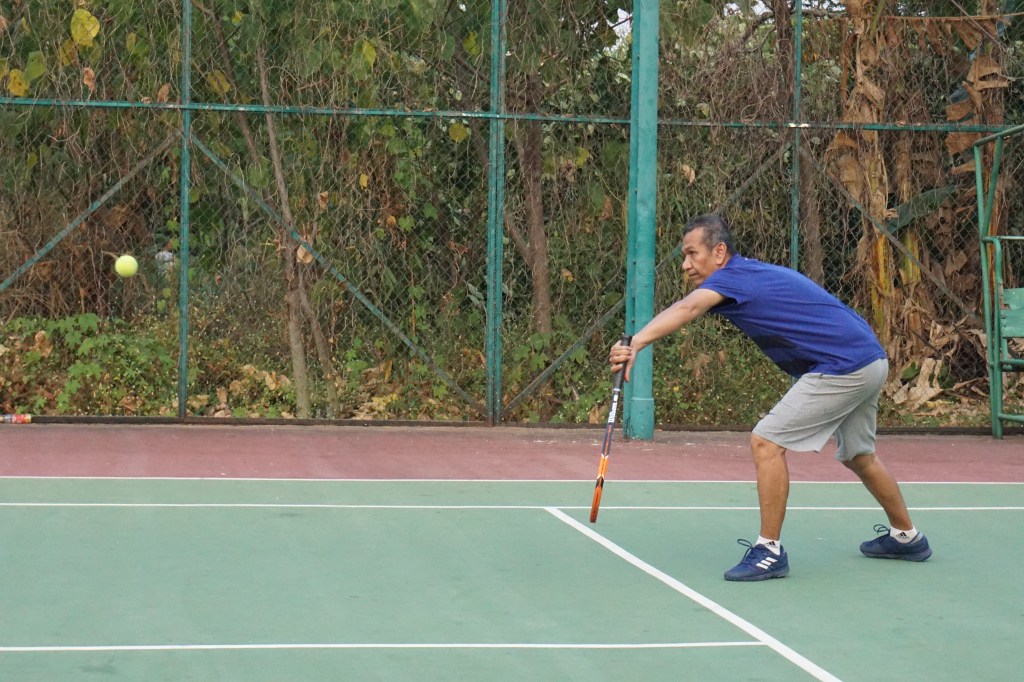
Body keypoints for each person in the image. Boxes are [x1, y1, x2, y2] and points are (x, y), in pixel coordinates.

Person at [608, 214, 931, 582]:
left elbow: (688, 308)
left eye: (692, 253)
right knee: (860, 455)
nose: (685, 264)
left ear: (719, 252)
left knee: (766, 441)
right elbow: (689, 305)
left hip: (844, 364)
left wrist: (637, 342)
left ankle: (769, 552)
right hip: (868, 358)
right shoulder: (746, 274)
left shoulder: (733, 277)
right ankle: (907, 537)